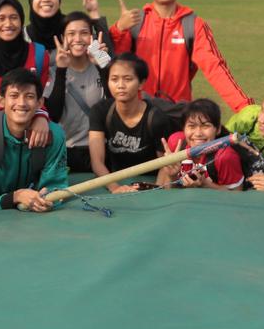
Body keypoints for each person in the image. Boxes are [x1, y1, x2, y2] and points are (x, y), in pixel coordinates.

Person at [109, 0, 252, 111]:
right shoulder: (135, 21)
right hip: (138, 113)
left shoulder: (192, 24)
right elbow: (110, 63)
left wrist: (245, 108)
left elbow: (214, 67)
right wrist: (118, 29)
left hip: (177, 114)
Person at [0, 68, 69, 213]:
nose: (21, 103)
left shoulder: (54, 135)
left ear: (40, 103)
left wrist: (48, 198)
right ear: (1, 100)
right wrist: (16, 197)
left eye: (29, 96)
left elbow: (58, 188)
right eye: (14, 95)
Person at [87, 53, 172, 193]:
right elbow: (97, 162)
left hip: (147, 183)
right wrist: (115, 188)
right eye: (114, 79)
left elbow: (164, 164)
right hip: (115, 180)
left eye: (128, 79)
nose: (120, 85)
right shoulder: (100, 111)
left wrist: (155, 189)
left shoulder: (156, 118)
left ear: (141, 83)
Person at [43, 11, 110, 173]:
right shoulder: (53, 72)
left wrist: (102, 67)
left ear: (92, 37)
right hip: (66, 151)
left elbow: (116, 105)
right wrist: (61, 70)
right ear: (62, 38)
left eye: (84, 33)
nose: (78, 39)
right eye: (71, 34)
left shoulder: (105, 66)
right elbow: (53, 114)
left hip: (102, 150)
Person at [156, 99, 244, 190]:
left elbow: (236, 195)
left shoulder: (225, 157)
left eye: (205, 126)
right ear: (183, 128)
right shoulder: (176, 143)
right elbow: (164, 190)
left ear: (218, 129)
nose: (198, 133)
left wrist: (205, 185)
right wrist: (172, 176)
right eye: (192, 126)